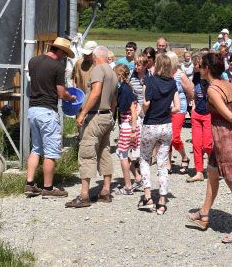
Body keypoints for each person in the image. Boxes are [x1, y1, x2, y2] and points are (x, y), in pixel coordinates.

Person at [187, 53, 232, 243]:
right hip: (223, 139)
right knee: (212, 174)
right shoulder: (228, 84)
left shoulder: (213, 90)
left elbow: (231, 115)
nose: (198, 68)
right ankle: (204, 214)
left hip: (225, 139)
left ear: (207, 69)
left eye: (201, 65)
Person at [25, 36, 77, 198]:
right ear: (60, 51)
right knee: (50, 152)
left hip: (33, 110)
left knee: (36, 149)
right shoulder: (57, 67)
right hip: (48, 111)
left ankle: (30, 184)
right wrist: (71, 98)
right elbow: (61, 93)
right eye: (65, 54)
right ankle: (48, 188)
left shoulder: (33, 61)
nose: (64, 57)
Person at [66, 45, 118, 208]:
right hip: (107, 115)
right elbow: (115, 98)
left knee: (87, 152)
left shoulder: (97, 70)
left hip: (95, 115)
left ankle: (84, 195)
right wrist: (112, 115)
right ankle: (106, 190)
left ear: (96, 56)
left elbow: (95, 92)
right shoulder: (112, 72)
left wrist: (82, 114)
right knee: (104, 152)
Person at [138, 53, 179, 214]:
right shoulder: (172, 83)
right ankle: (162, 200)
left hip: (151, 124)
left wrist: (144, 110)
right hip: (166, 126)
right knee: (162, 163)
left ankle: (147, 197)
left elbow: (146, 103)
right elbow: (177, 107)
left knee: (145, 159)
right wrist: (165, 109)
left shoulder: (149, 81)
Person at [113, 64, 142, 195]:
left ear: (119, 75)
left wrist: (133, 131)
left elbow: (133, 111)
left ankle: (128, 185)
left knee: (122, 155)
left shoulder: (124, 90)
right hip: (129, 126)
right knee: (123, 154)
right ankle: (137, 177)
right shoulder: (127, 88)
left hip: (127, 126)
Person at [167, 51, 194, 174]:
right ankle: (168, 162)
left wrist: (188, 102)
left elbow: (189, 90)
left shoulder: (180, 75)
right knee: (166, 136)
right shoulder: (164, 74)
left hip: (179, 108)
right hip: (166, 108)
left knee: (174, 137)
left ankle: (184, 156)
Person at [187, 53, 212, 183]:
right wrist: (193, 107)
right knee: (196, 144)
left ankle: (215, 166)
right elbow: (195, 94)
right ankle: (199, 172)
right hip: (197, 113)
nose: (195, 66)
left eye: (197, 64)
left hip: (208, 114)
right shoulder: (195, 77)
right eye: (194, 64)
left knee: (207, 144)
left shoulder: (210, 79)